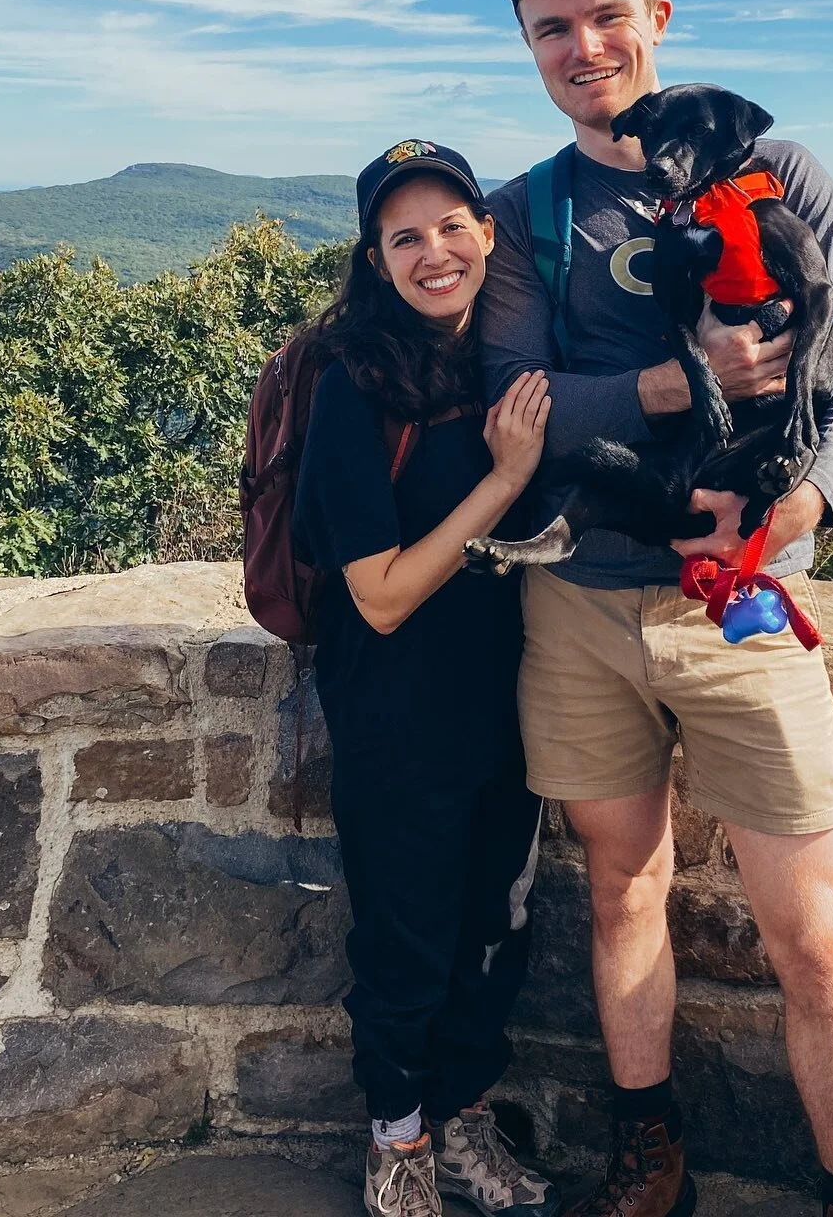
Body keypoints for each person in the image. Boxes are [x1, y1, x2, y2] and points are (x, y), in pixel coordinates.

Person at [480, 0, 833, 1217]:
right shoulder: (528, 213)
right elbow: (516, 402)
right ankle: (647, 1150)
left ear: (657, 18)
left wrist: (811, 506)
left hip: (745, 606)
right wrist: (681, 381)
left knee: (811, 935)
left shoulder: (775, 164)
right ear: (526, 46)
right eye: (551, 27)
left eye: (607, 13)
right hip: (581, 607)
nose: (582, 44)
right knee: (623, 888)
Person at [293, 138, 561, 1217]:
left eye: (453, 226)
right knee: (406, 939)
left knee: (495, 931)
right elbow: (383, 594)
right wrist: (503, 481)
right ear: (376, 258)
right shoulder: (350, 384)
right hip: (398, 716)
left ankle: (461, 1124)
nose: (434, 251)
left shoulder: (495, 358)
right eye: (406, 236)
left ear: (488, 235)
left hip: (505, 703)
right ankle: (397, 1144)